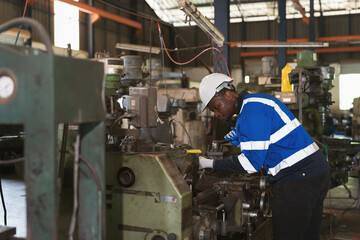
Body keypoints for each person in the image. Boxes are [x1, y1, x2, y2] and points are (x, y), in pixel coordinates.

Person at [198, 73, 330, 240]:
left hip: (298, 178)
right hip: (315, 173)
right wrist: (242, 139)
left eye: (216, 107)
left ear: (228, 94)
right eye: (213, 110)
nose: (217, 114)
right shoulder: (256, 103)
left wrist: (210, 163)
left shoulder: (250, 112)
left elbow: (251, 164)